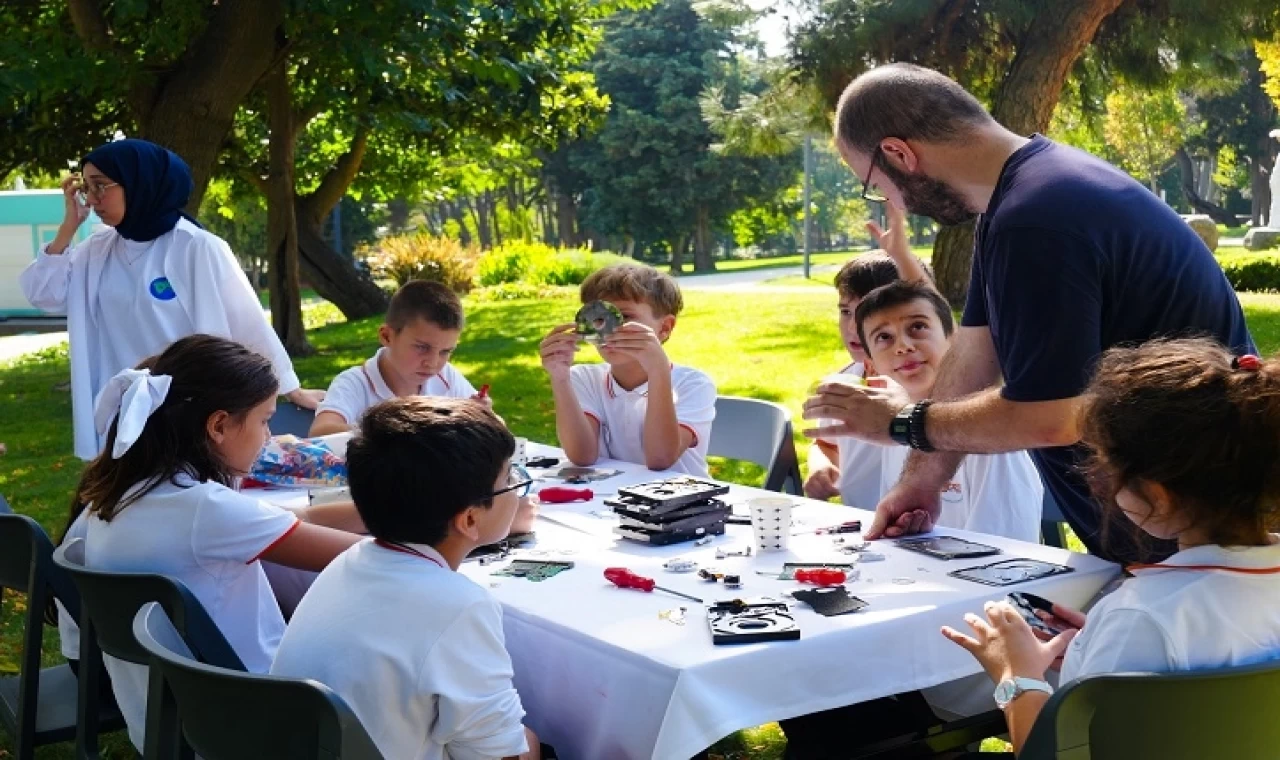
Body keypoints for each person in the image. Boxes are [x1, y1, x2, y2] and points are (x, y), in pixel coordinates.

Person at [803, 63, 1254, 562]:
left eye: (874, 184)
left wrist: (903, 422)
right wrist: (922, 481)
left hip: (1203, 537)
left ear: (899, 154)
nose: (892, 202)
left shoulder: (1035, 220)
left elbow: (1052, 417)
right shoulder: (1020, 201)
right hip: (1180, 530)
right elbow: (976, 351)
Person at [942, 338, 1280, 756]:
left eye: (1107, 465)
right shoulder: (1139, 620)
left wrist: (1017, 674)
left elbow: (1056, 753)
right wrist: (1095, 647)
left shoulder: (1139, 616)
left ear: (1158, 494)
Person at [75, 335, 363, 750]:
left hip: (173, 722)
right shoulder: (205, 510)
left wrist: (376, 511)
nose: (269, 437)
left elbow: (296, 521)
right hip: (258, 721)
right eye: (265, 421)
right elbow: (361, 560)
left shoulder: (134, 490)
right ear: (219, 425)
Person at [18, 138, 323, 460]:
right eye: (86, 188)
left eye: (101, 186)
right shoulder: (96, 251)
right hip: (118, 409)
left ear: (140, 182)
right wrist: (68, 227)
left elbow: (245, 321)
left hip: (184, 407)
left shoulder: (195, 247)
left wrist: (289, 387)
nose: (92, 200)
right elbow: (45, 295)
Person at [272, 397, 541, 760]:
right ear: (469, 520)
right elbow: (502, 756)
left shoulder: (350, 561)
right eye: (509, 478)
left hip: (303, 746)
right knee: (531, 743)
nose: (518, 487)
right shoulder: (459, 605)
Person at [855, 281, 1041, 541]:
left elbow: (1010, 543)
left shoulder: (986, 436)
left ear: (955, 343)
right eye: (884, 337)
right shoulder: (894, 428)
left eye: (917, 327)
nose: (903, 346)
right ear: (870, 364)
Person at [805, 204, 931, 509]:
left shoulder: (926, 385)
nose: (853, 327)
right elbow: (825, 443)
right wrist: (821, 466)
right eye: (845, 311)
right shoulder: (844, 380)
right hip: (861, 533)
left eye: (867, 314)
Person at [538, 263, 716, 476]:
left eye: (624, 317)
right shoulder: (584, 378)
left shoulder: (693, 385)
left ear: (665, 328)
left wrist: (658, 370)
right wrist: (560, 379)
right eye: (597, 319)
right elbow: (582, 457)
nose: (606, 330)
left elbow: (660, 459)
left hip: (684, 504)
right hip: (611, 500)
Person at [310, 280, 488, 437]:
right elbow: (320, 432)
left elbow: (496, 428)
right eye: (422, 347)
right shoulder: (355, 383)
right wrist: (398, 432)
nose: (433, 363)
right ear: (387, 336)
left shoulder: (445, 376)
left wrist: (482, 416)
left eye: (445, 351)